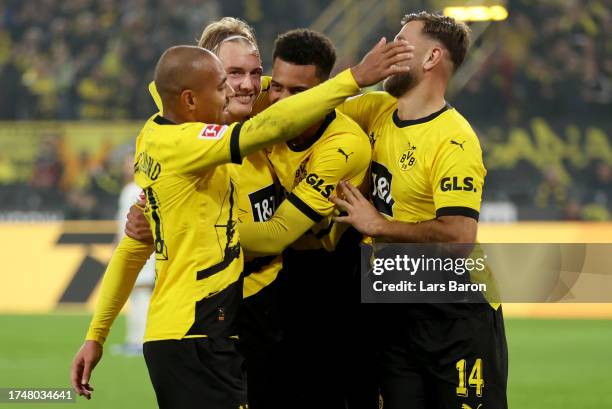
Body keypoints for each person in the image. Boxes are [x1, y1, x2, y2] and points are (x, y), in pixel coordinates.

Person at [70, 42, 414, 409]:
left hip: (228, 317)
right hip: (199, 326)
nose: (243, 88)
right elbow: (273, 128)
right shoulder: (198, 144)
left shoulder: (164, 137)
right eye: (226, 80)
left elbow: (134, 247)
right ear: (190, 96)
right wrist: (356, 77)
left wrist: (97, 334)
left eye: (255, 75)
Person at [332, 12, 508, 409]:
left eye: (400, 43)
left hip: (457, 312)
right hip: (394, 307)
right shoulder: (375, 109)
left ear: (431, 58)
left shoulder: (454, 140)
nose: (388, 52)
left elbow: (460, 236)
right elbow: (309, 109)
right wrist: (355, 76)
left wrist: (379, 224)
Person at [235, 29, 377, 409]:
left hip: (336, 274)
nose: (281, 101)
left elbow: (277, 234)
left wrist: (191, 229)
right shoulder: (261, 96)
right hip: (283, 275)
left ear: (323, 91)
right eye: (277, 86)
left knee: (334, 390)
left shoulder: (343, 144)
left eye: (299, 93)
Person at [113, 150, 155, 356]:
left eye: (129, 163)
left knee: (141, 293)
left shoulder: (133, 189)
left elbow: (125, 225)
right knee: (138, 293)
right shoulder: (143, 187)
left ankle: (141, 341)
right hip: (143, 248)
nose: (125, 167)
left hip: (139, 248)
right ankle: (135, 339)